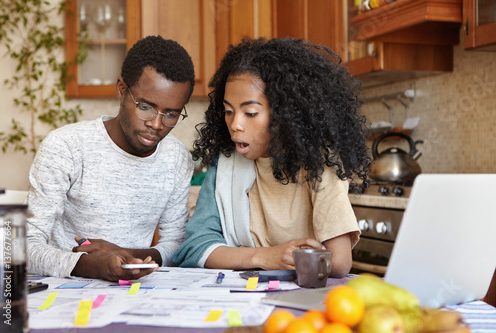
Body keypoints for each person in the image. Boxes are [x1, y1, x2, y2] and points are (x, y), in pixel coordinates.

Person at [172, 37, 371, 278]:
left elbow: (339, 262)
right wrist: (266, 257)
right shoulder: (226, 165)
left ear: (285, 114)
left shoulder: (321, 167)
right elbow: (193, 248)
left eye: (251, 112)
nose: (235, 124)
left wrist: (247, 255)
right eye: (228, 111)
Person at [26, 36, 195, 281]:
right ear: (122, 89)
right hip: (61, 291)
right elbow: (22, 245)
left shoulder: (177, 158)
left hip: (135, 291)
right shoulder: (67, 146)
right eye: (145, 107)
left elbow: (177, 245)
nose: (156, 125)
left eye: (171, 114)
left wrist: (124, 256)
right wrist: (91, 265)